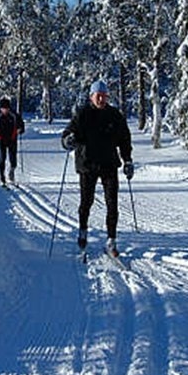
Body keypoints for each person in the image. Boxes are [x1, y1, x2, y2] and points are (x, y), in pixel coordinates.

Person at [61, 80, 133, 257]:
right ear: (91, 96)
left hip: (109, 164)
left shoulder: (115, 115)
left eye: (104, 96)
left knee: (112, 203)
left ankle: (111, 240)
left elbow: (124, 140)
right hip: (87, 164)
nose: (101, 99)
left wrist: (128, 161)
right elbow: (67, 134)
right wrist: (68, 140)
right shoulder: (83, 114)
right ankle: (83, 231)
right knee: (87, 202)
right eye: (97, 96)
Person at [0, 97, 25, 186]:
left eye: (6, 108)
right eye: (3, 108)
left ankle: (11, 171)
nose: (5, 110)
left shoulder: (14, 115)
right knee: (2, 158)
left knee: (13, 159)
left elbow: (21, 124)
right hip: (1, 139)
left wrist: (21, 129)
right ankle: (2, 177)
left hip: (12, 138)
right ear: (0, 108)